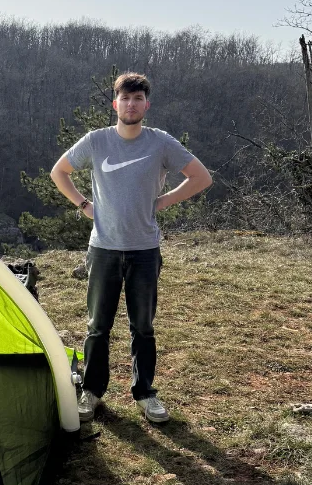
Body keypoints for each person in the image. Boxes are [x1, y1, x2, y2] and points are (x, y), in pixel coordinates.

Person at [50, 72, 212, 423]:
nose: (131, 104)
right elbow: (58, 172)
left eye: (138, 99)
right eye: (125, 99)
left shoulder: (161, 142)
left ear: (146, 105)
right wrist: (83, 205)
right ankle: (91, 391)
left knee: (143, 327)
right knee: (98, 327)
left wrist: (165, 200)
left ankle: (145, 393)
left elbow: (201, 177)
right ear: (115, 104)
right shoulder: (96, 141)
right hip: (104, 249)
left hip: (144, 250)